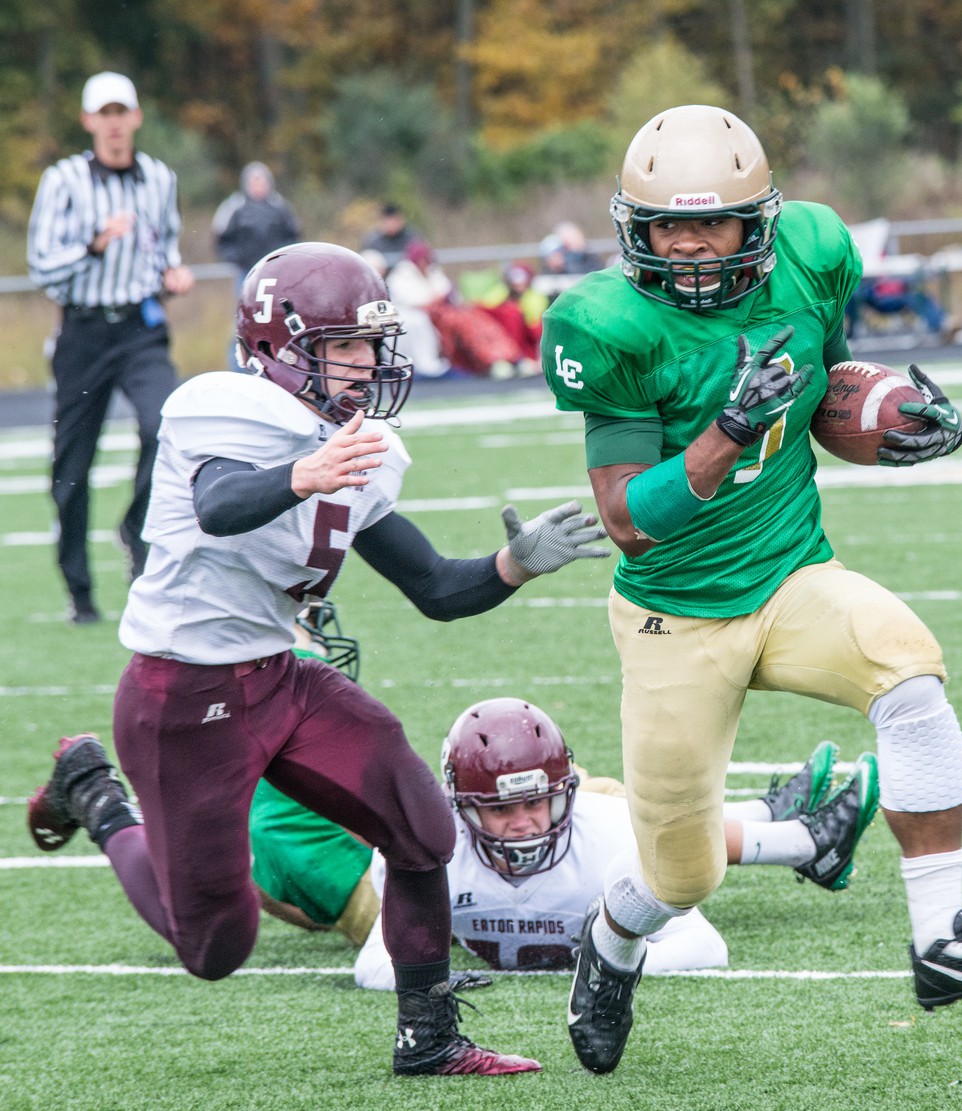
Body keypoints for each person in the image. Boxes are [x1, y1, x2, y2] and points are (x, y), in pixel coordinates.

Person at [540, 104, 962, 1074]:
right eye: (667, 228)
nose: (690, 247)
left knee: (911, 674)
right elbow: (625, 518)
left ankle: (942, 941)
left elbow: (820, 396)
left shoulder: (814, 254)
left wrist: (892, 423)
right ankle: (608, 947)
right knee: (681, 872)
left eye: (714, 225)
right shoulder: (603, 322)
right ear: (632, 231)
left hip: (791, 577)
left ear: (762, 224)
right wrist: (724, 431)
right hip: (674, 615)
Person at [25, 241, 613, 1077]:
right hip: (182, 693)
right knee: (216, 945)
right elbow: (221, 503)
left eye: (373, 345)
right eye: (345, 346)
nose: (367, 365)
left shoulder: (352, 446)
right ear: (277, 347)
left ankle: (429, 1037)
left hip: (280, 675)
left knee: (421, 826)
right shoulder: (221, 408)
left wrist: (514, 563)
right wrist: (303, 473)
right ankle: (97, 796)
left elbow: (436, 589)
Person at [250, 686, 880, 988]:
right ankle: (793, 832)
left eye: (540, 803)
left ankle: (785, 827)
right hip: (434, 906)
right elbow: (376, 963)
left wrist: (611, 960)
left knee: (617, 809)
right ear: (459, 810)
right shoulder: (421, 852)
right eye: (498, 812)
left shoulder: (602, 833)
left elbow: (702, 944)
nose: (522, 825)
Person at [26, 71, 196, 623]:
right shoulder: (64, 180)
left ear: (137, 118)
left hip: (140, 329)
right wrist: (95, 246)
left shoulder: (159, 178)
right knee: (73, 465)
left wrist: (172, 274)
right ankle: (80, 591)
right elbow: (43, 266)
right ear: (89, 121)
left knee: (164, 425)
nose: (115, 123)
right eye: (106, 113)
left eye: (124, 112)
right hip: (83, 332)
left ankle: (135, 528)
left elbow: (164, 244)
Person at [387, 240, 521, 379]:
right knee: (463, 323)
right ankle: (491, 360)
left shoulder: (433, 272)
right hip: (428, 316)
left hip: (445, 311)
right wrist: (435, 299)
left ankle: (509, 357)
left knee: (478, 317)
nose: (424, 263)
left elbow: (446, 292)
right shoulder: (401, 276)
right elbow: (413, 302)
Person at [213, 161, 301, 370]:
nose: (258, 185)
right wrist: (239, 258)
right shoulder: (235, 207)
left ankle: (281, 367)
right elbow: (222, 239)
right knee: (243, 321)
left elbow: (293, 236)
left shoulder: (279, 207)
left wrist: (283, 261)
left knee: (280, 319)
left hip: (276, 276)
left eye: (261, 180)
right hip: (247, 275)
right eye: (254, 181)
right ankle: (239, 368)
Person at [843, 275, 961, 344]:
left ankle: (943, 322)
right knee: (856, 293)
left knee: (919, 296)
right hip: (880, 298)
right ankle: (942, 325)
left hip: (898, 294)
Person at [477, 263, 548, 375]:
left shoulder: (535, 298)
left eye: (521, 282)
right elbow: (485, 306)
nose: (518, 286)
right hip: (505, 347)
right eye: (514, 283)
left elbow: (535, 329)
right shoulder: (503, 293)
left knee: (526, 370)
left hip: (526, 349)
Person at [360, 202, 420, 269]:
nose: (391, 225)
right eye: (388, 221)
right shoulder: (373, 241)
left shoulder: (412, 238)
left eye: (394, 220)